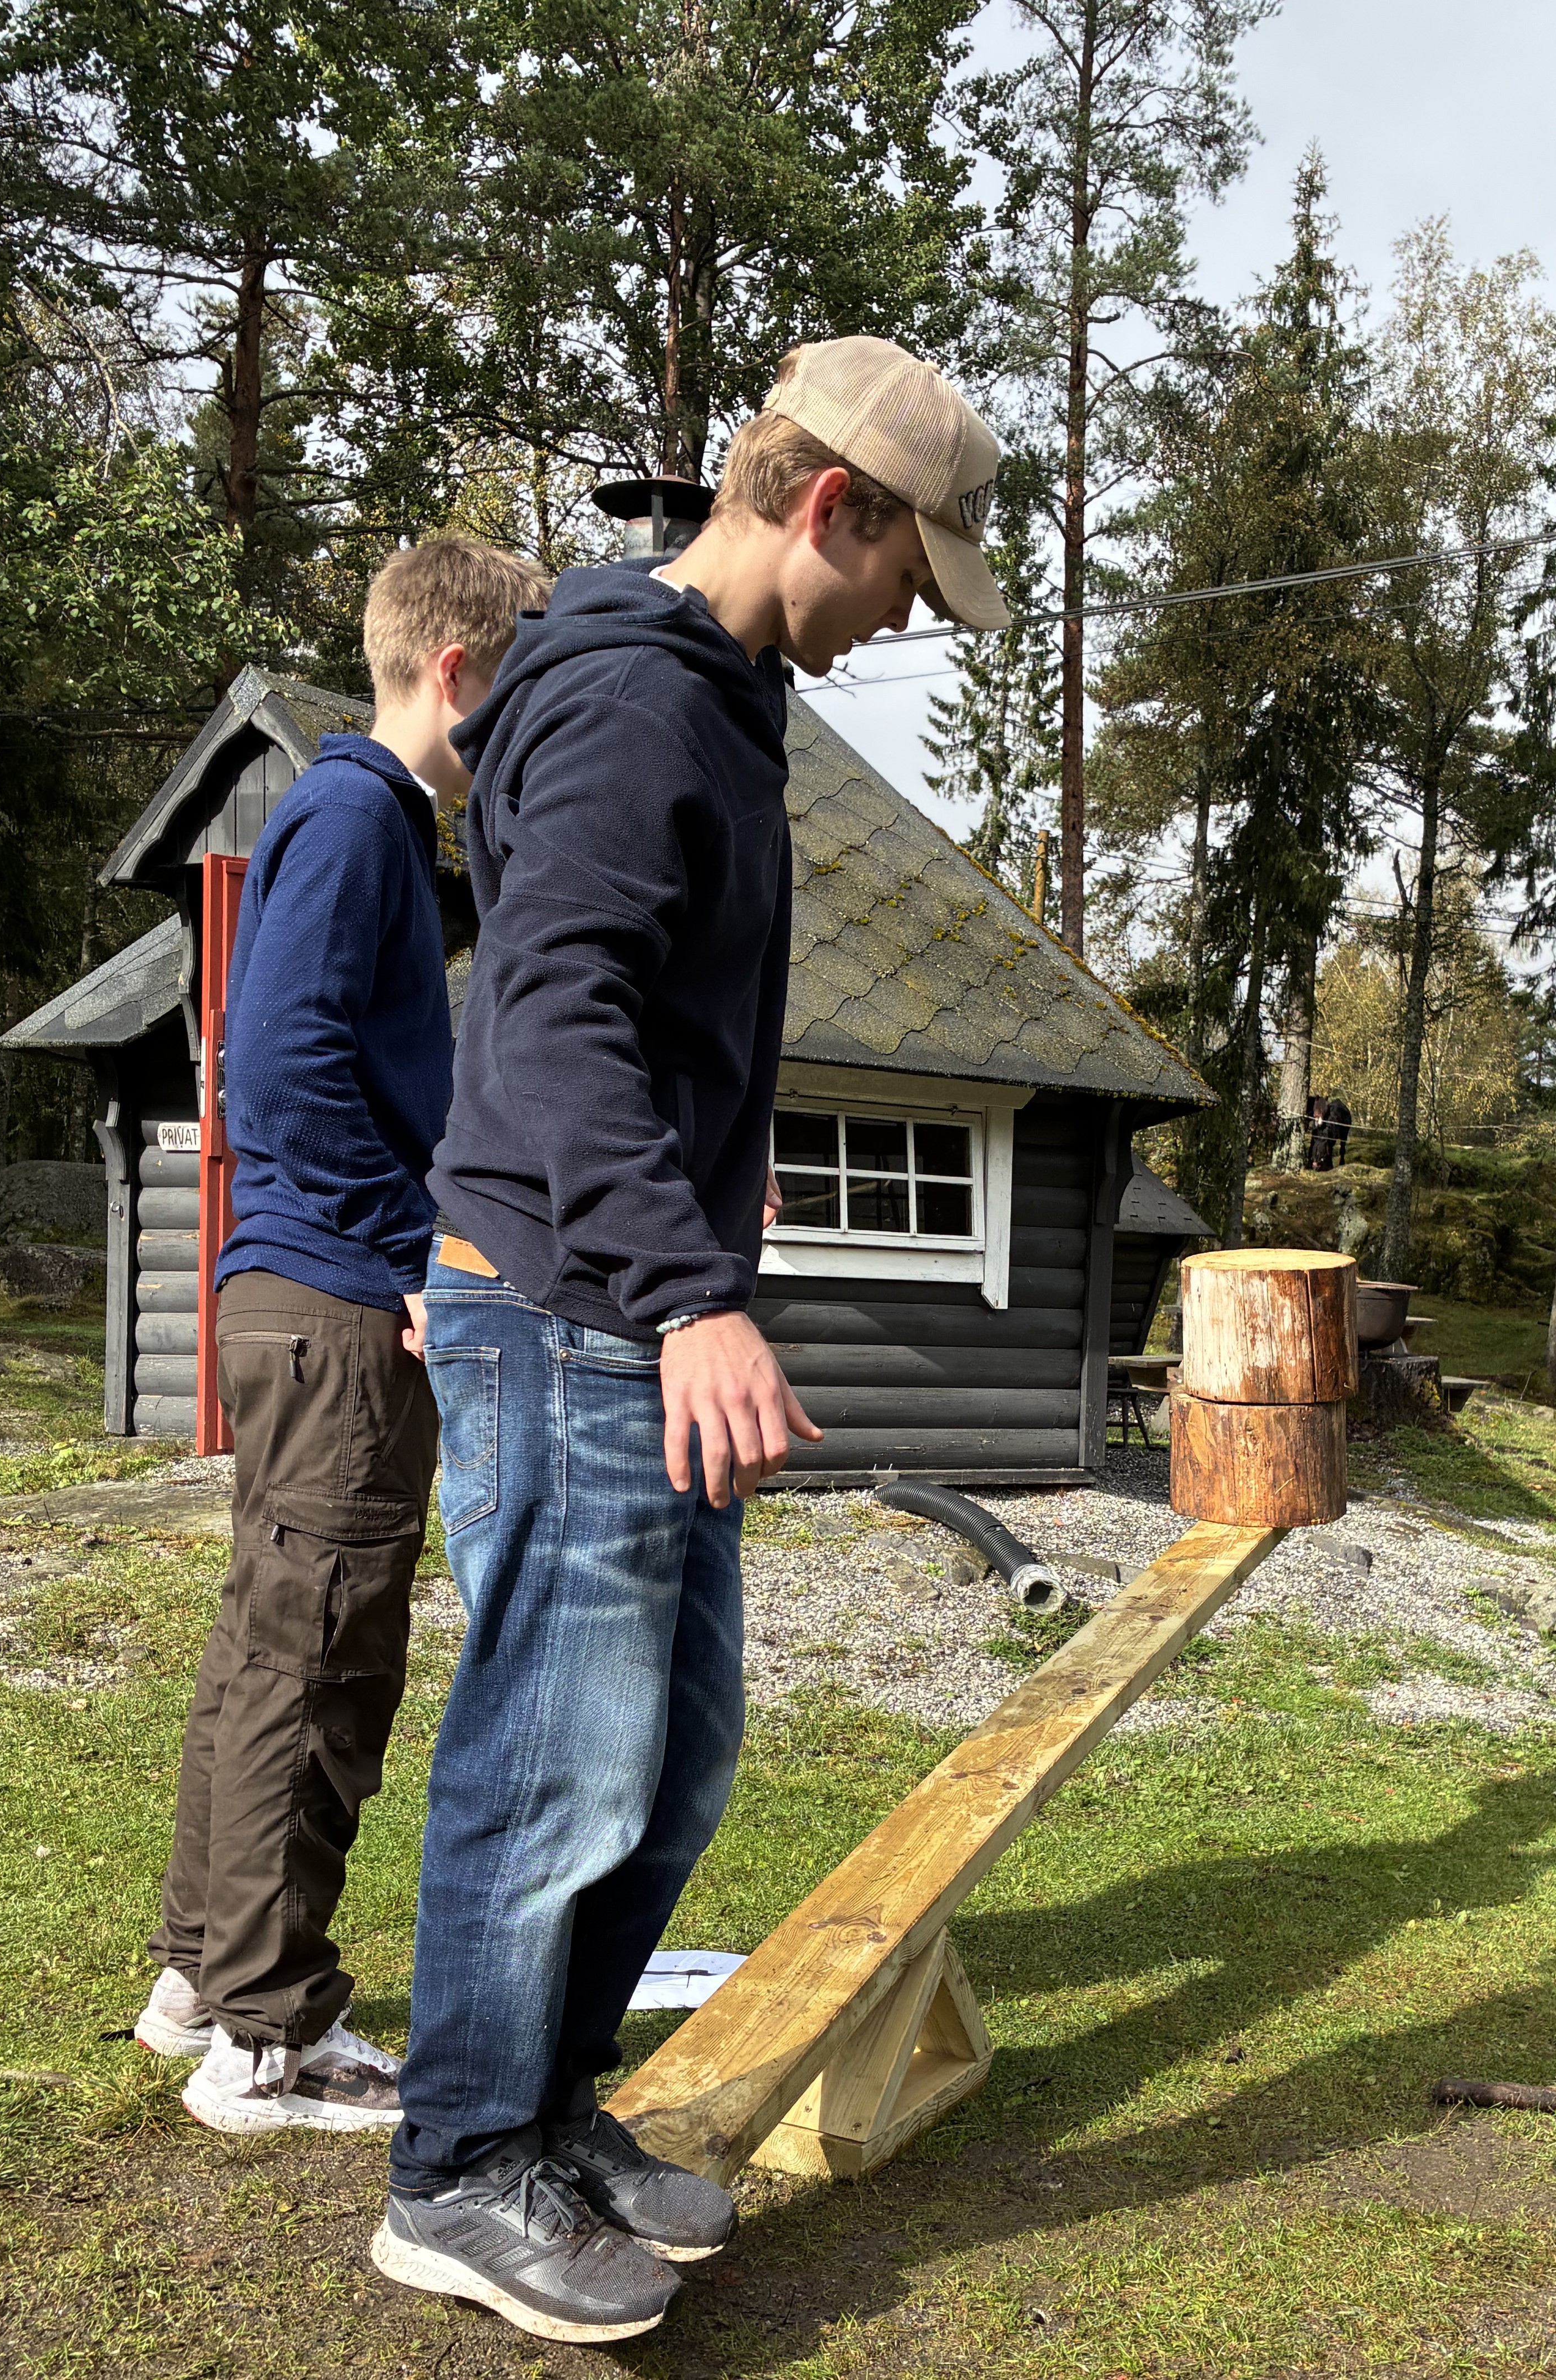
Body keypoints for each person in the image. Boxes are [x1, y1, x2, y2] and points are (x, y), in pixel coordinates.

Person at [369, 339, 1009, 2345]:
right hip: (568, 1311)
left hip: (607, 1306)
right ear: (832, 503)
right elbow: (551, 1015)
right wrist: (694, 1294)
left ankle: (545, 2116)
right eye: (908, 573)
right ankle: (459, 2169)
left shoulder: (707, 694)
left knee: (669, 1763)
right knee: (554, 1765)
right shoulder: (644, 694)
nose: (909, 616)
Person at [133, 537, 551, 2136]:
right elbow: (281, 1069)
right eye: (520, 674)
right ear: (456, 671)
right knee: (320, 1659)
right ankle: (271, 2038)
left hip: (299, 1299)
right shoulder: (362, 815)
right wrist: (411, 1261)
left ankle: (201, 1973)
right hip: (335, 1307)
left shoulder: (351, 821)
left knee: (266, 1641)